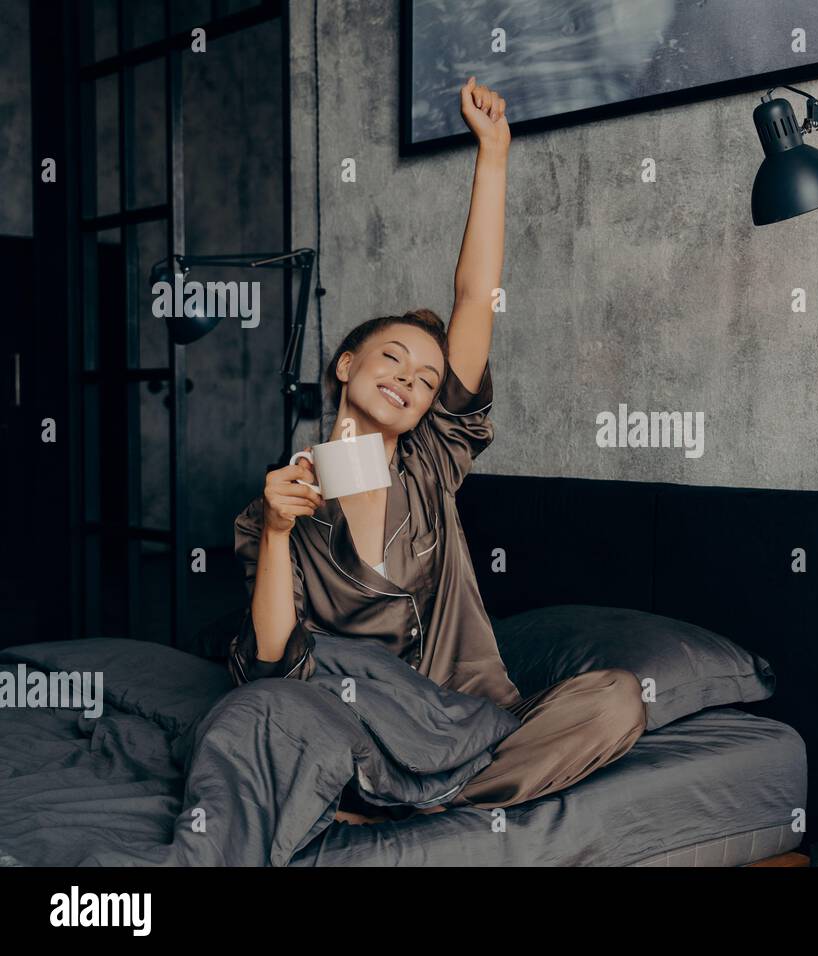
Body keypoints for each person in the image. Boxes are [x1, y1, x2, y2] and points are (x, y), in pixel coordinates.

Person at [226, 77, 646, 824]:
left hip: (467, 724)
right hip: (365, 724)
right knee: (297, 692)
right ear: (345, 365)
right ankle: (395, 785)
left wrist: (493, 156)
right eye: (391, 360)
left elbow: (475, 297)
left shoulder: (430, 464)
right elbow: (268, 660)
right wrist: (281, 527)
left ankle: (407, 797)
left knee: (616, 700)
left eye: (425, 379)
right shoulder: (288, 495)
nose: (409, 382)